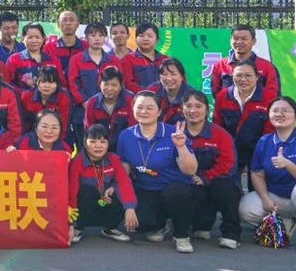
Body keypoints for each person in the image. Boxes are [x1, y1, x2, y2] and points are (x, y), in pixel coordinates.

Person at [238, 97, 296, 253]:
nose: (279, 114)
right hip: (277, 198)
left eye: (285, 111)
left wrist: (287, 163)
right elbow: (257, 174)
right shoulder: (264, 141)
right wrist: (266, 199)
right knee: (244, 208)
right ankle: (285, 222)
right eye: (275, 110)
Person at [116, 92, 202, 253]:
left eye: (149, 108)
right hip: (146, 188)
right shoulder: (126, 135)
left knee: (176, 193)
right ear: (133, 109)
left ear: (159, 111)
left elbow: (190, 170)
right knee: (140, 224)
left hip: (175, 188)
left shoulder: (173, 133)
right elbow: (124, 168)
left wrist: (181, 146)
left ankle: (181, 235)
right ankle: (162, 224)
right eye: (139, 107)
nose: (144, 111)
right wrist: (127, 204)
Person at [179, 91, 242, 249]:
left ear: (207, 109)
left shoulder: (220, 134)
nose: (193, 110)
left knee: (225, 187)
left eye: (198, 106)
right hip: (190, 183)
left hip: (216, 181)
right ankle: (194, 226)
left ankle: (231, 234)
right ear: (182, 109)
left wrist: (206, 178)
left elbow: (228, 164)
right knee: (201, 221)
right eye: (188, 106)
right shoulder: (176, 132)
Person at [67, 124, 137, 245]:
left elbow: (124, 182)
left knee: (119, 190)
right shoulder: (77, 161)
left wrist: (130, 208)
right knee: (86, 190)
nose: (98, 146)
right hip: (85, 207)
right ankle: (78, 227)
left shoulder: (113, 159)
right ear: (85, 143)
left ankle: (109, 228)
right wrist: (71, 224)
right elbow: (72, 190)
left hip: (105, 202)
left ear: (108, 144)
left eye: (103, 141)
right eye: (93, 141)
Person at [214, 59, 277, 189]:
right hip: (231, 149)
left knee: (257, 188)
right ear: (232, 77)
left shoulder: (269, 97)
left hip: (259, 149)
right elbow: (218, 126)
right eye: (238, 75)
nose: (243, 79)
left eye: (248, 75)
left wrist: (262, 154)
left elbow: (270, 131)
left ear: (257, 77)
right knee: (228, 187)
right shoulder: (222, 96)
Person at [67, 22, 119, 148]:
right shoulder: (76, 60)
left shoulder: (113, 60)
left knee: (107, 147)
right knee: (84, 147)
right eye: (93, 35)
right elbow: (73, 84)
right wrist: (86, 103)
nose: (97, 39)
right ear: (86, 38)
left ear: (105, 38)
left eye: (101, 35)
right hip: (81, 112)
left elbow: (119, 84)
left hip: (108, 112)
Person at [210, 24, 281, 98]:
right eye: (236, 38)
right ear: (230, 40)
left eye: (244, 39)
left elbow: (273, 94)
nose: (239, 42)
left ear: (254, 41)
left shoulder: (267, 67)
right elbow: (216, 93)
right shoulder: (220, 65)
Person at [83, 66, 134, 151]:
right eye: (106, 84)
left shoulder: (131, 100)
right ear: (100, 85)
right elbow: (90, 130)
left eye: (114, 85)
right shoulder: (91, 103)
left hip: (125, 146)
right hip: (100, 148)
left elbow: (133, 129)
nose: (109, 88)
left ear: (121, 86)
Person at [19, 66, 71, 139]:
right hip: (30, 135)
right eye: (43, 82)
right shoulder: (26, 96)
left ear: (57, 84)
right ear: (37, 82)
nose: (47, 86)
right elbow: (22, 123)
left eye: (51, 82)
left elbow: (63, 125)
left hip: (56, 136)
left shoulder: (63, 97)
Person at [6, 23, 61, 91]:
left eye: (37, 37)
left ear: (43, 38)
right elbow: (8, 84)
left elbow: (60, 83)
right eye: (30, 37)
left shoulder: (54, 60)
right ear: (22, 38)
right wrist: (25, 94)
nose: (34, 41)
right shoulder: (13, 59)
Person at [147, 58, 196, 126]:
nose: (169, 78)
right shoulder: (151, 91)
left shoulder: (192, 95)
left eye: (173, 74)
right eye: (164, 74)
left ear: (182, 76)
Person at [119, 23, 167, 92]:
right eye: (141, 36)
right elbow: (128, 84)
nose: (145, 39)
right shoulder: (127, 60)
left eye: (150, 36)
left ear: (157, 39)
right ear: (136, 38)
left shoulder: (165, 60)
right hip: (138, 97)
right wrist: (148, 94)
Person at [45, 11, 85, 77]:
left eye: (71, 20)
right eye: (64, 20)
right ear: (58, 24)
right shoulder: (49, 48)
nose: (68, 23)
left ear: (78, 24)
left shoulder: (87, 47)